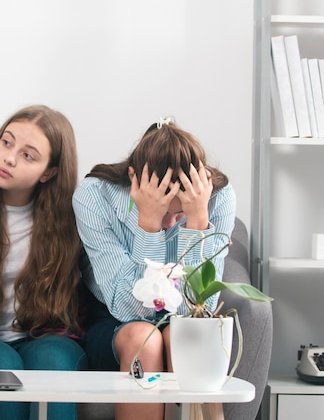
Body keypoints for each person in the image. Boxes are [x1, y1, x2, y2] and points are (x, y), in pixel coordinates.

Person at [72, 117, 235, 420]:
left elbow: (200, 311)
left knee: (187, 338)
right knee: (143, 339)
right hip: (113, 318)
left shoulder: (219, 198)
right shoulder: (95, 196)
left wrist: (197, 223)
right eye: (165, 213)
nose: (172, 225)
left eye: (180, 214)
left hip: (182, 319)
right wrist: (148, 224)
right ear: (134, 178)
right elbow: (127, 308)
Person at [0, 105, 88, 420]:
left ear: (49, 172)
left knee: (52, 361)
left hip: (46, 335)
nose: (9, 158)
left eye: (28, 155)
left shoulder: (72, 222)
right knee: (2, 368)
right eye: (6, 143)